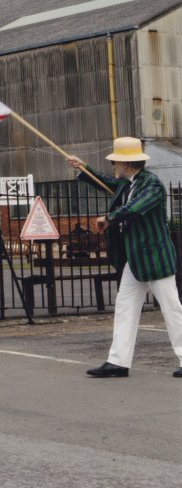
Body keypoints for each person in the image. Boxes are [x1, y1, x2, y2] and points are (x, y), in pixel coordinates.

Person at [67, 137, 182, 379]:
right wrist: (83, 167)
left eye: (115, 162)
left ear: (126, 163)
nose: (114, 166)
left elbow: (135, 207)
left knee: (172, 310)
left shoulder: (151, 184)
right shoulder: (127, 183)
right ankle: (118, 362)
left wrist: (108, 217)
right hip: (135, 259)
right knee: (125, 308)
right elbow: (105, 182)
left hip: (156, 260)